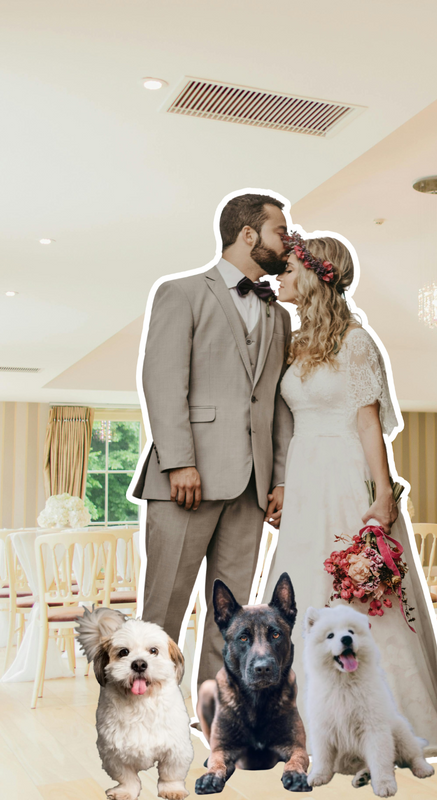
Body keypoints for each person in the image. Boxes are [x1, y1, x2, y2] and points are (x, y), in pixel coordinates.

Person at [266, 232, 437, 757]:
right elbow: (286, 423)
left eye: (287, 270)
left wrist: (382, 496)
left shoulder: (355, 341)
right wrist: (283, 481)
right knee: (302, 587)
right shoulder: (294, 342)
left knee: (360, 594)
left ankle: (384, 722)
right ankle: (305, 724)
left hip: (345, 473)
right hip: (305, 478)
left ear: (314, 274)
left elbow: (367, 421)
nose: (278, 277)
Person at [132, 191, 294, 695]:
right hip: (187, 479)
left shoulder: (279, 316)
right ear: (249, 235)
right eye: (280, 232)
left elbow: (278, 404)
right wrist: (179, 460)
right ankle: (141, 720)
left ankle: (213, 717)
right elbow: (162, 381)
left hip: (252, 487)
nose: (287, 241)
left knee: (234, 620)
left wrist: (283, 479)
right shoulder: (181, 293)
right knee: (162, 612)